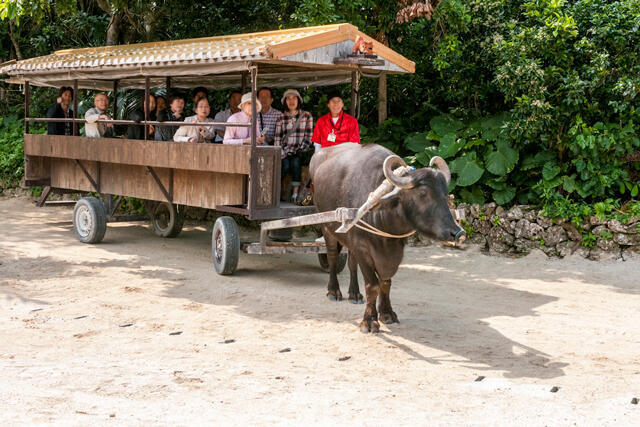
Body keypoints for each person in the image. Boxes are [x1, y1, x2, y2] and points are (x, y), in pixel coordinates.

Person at [274, 89, 314, 203]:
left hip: (299, 151)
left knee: (296, 163)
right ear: (285, 102)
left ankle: (295, 194)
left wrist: (301, 150)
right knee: (285, 165)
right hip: (284, 151)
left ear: (299, 100)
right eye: (288, 98)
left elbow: (308, 137)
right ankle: (275, 192)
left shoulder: (306, 116)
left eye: (294, 98)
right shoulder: (281, 118)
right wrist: (280, 152)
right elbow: (277, 138)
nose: (291, 101)